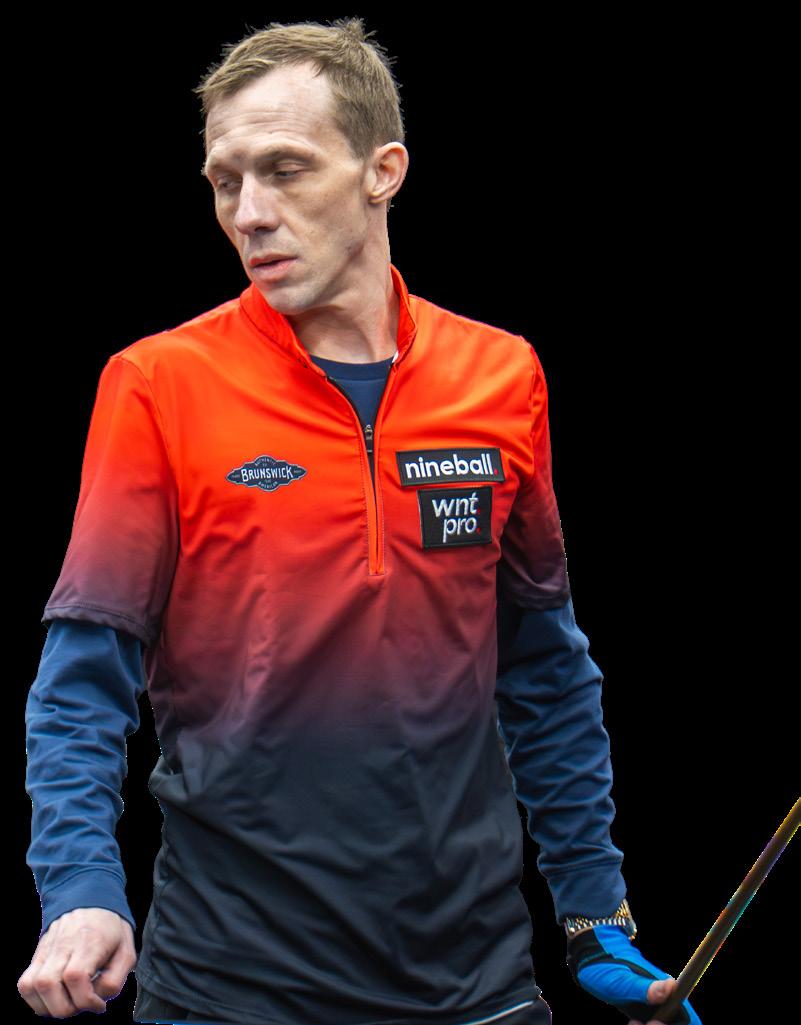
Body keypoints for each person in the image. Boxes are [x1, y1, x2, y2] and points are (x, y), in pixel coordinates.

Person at [18, 17, 702, 1025]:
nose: (250, 212)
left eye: (285, 169)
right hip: (228, 986)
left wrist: (593, 913)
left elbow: (543, 666)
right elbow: (84, 677)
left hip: (476, 984)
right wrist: (80, 888)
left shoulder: (502, 374)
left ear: (383, 171)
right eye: (224, 181)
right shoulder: (158, 383)